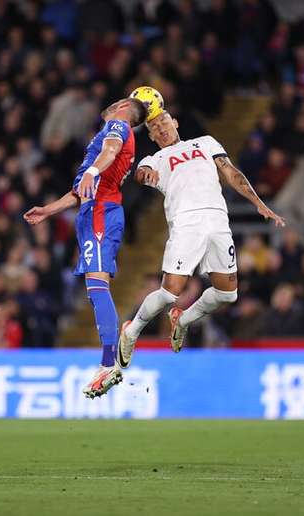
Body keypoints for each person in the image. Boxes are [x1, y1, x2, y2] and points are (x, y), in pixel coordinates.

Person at [117, 110, 285, 367]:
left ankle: (182, 320)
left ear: (175, 122)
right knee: (170, 291)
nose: (161, 128)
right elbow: (142, 173)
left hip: (218, 221)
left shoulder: (206, 142)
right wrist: (146, 174)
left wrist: (258, 203)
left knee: (228, 294)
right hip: (187, 222)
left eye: (164, 122)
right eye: (154, 127)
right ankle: (131, 331)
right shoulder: (155, 158)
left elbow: (230, 172)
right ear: (151, 136)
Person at [23, 96, 147, 398]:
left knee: (97, 285)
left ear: (123, 107)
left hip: (101, 213)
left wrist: (93, 170)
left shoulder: (117, 125)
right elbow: (82, 189)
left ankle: (108, 363)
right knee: (94, 289)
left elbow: (110, 150)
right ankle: (107, 362)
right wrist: (48, 210)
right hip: (93, 211)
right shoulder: (113, 132)